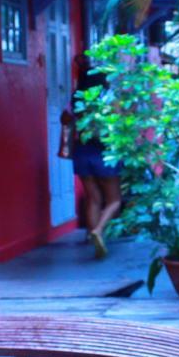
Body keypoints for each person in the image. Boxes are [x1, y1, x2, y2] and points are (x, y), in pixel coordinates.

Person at [70, 58, 122, 259]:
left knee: (93, 198)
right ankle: (98, 230)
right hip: (105, 152)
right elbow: (119, 122)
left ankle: (94, 241)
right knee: (114, 200)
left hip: (82, 152)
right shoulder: (108, 99)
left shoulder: (77, 99)